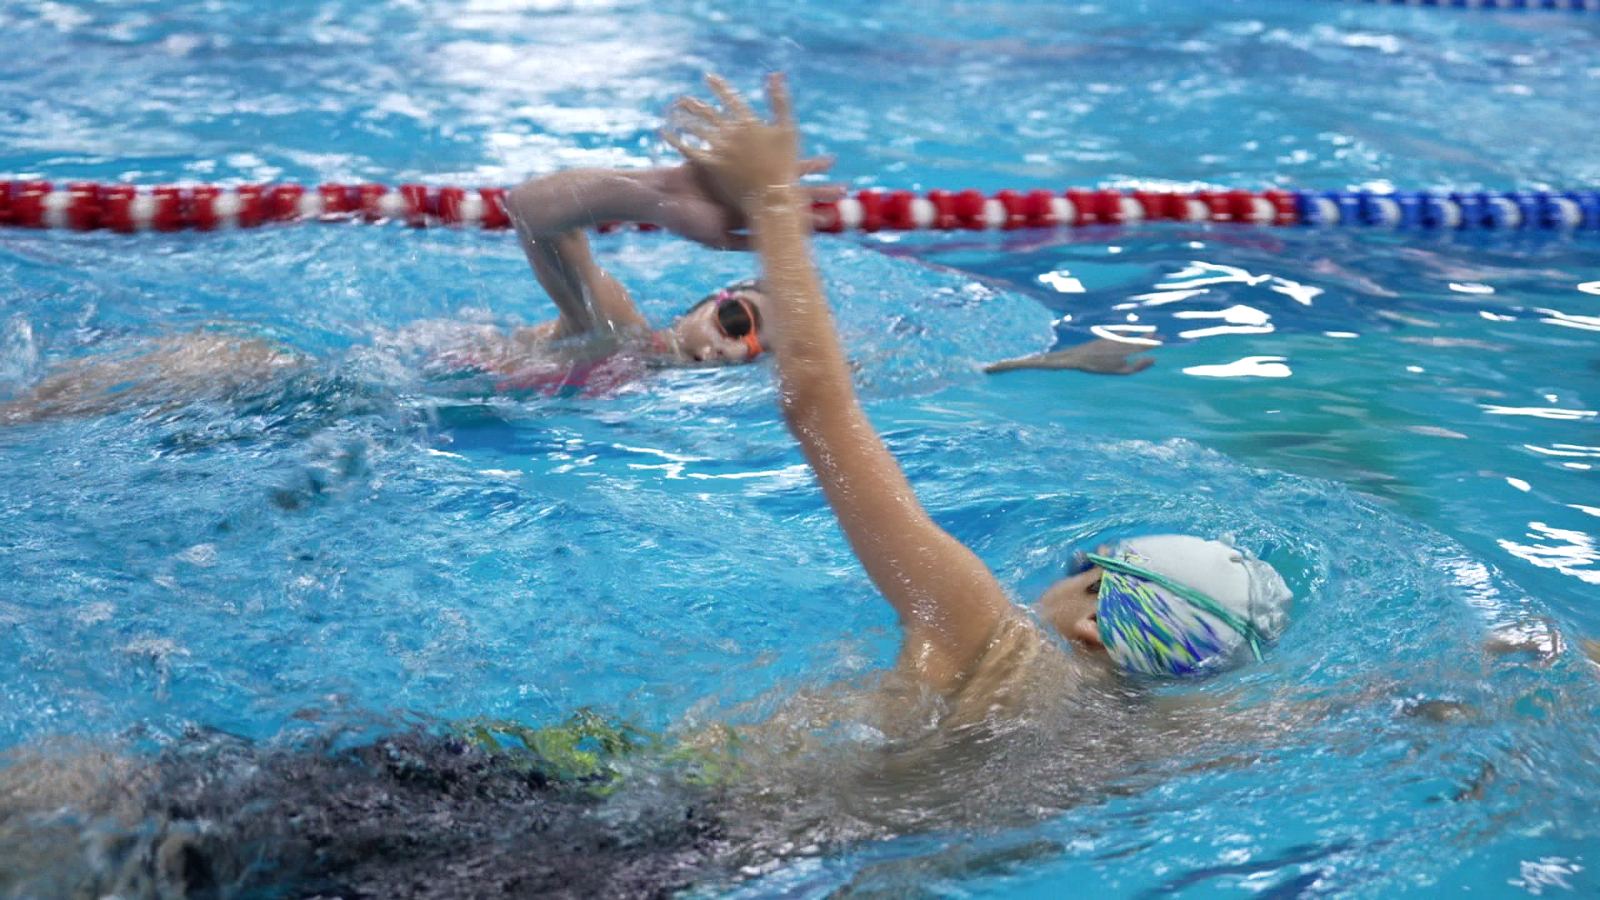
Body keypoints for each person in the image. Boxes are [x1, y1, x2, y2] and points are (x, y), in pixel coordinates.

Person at [663, 73, 1292, 703]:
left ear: (1094, 621)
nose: (1061, 576)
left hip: (694, 803)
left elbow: (815, 409)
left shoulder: (985, 637)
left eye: (1084, 568)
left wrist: (772, 197)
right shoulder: (1152, 745)